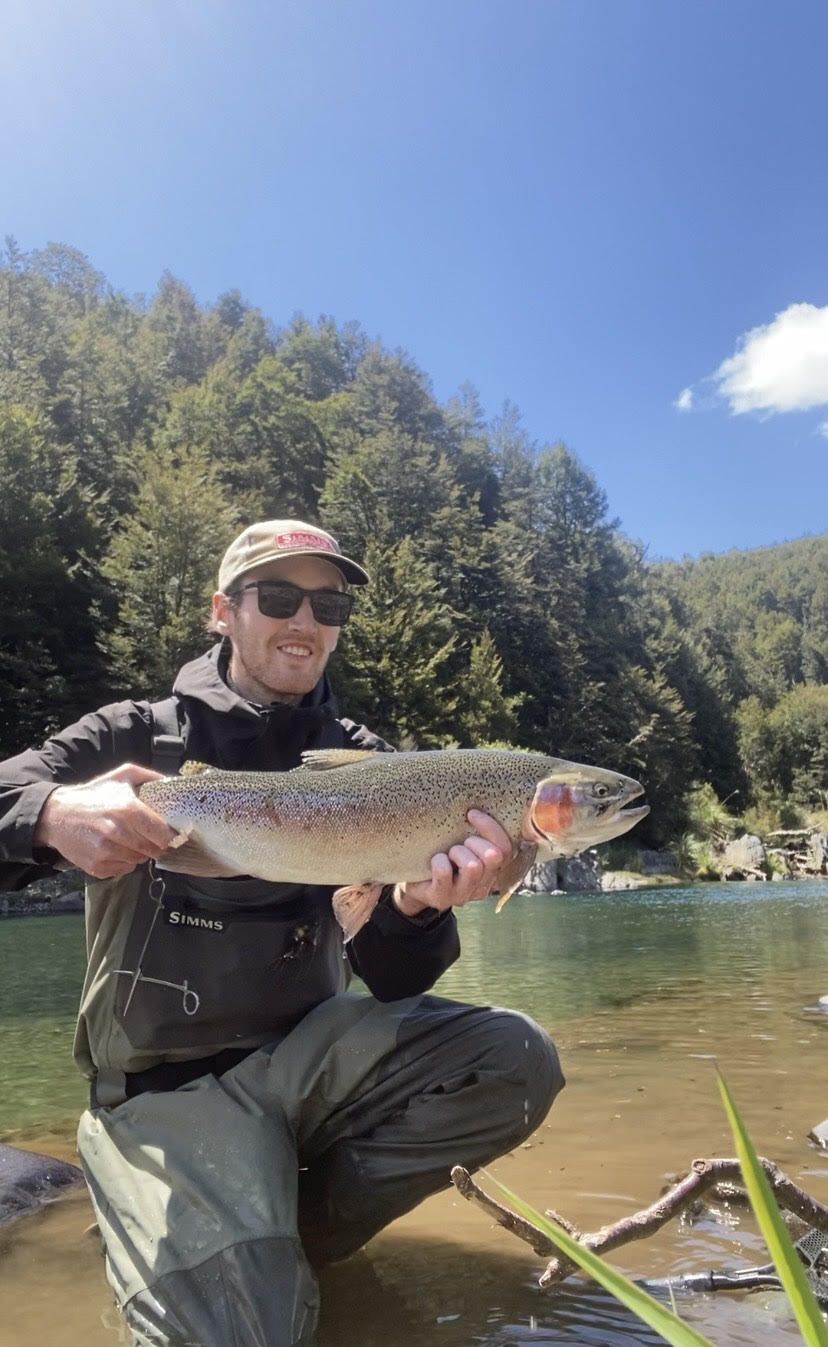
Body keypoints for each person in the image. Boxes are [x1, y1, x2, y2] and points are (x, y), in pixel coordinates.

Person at [0, 518, 564, 1347]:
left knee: (514, 1061)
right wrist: (51, 814)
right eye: (279, 596)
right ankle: (217, 1232)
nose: (305, 620)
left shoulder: (370, 764)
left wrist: (415, 907)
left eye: (327, 603)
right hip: (167, 1089)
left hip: (309, 1062)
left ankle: (286, 1234)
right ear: (222, 611)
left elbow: (397, 980)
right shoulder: (131, 735)